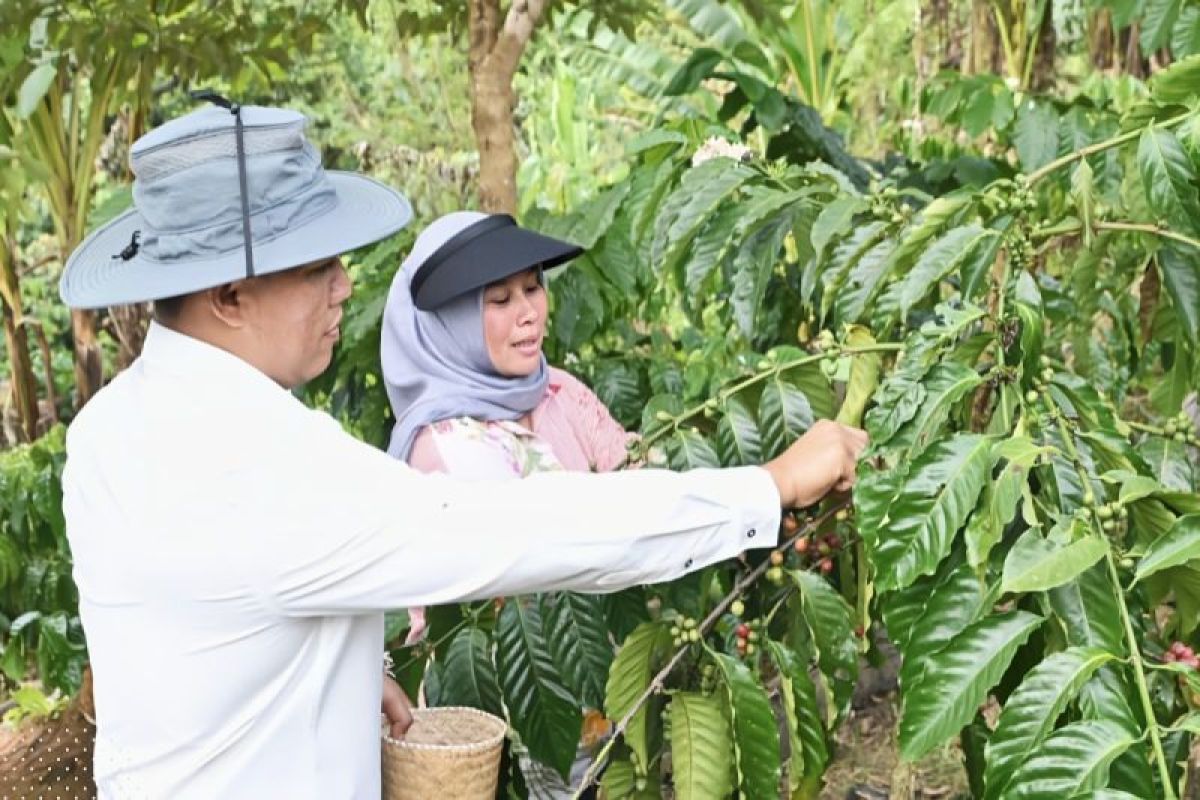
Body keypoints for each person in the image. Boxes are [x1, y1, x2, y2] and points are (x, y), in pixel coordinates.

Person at [58, 102, 869, 799]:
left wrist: (324, 671)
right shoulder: (272, 466)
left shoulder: (109, 427)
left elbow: (175, 635)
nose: (346, 285)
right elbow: (519, 529)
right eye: (316, 268)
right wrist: (765, 486)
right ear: (229, 297)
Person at [381, 212, 634, 796]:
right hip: (494, 723)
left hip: (593, 702)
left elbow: (633, 476)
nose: (529, 312)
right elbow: (576, 538)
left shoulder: (557, 389)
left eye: (533, 287)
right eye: (499, 299)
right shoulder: (445, 445)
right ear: (448, 323)